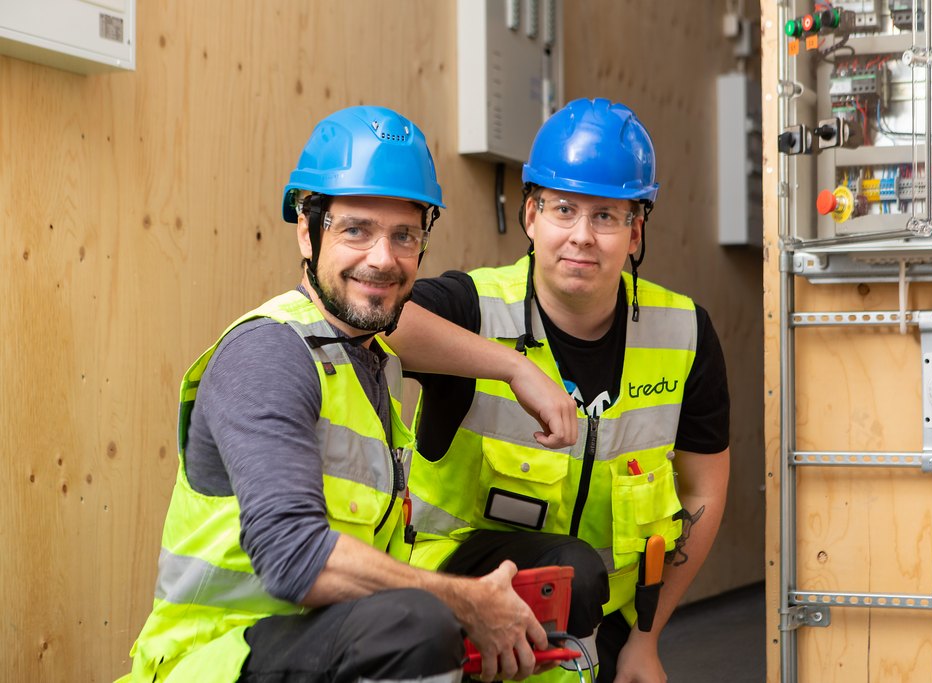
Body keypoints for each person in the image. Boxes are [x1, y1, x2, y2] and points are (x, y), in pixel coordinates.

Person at [123, 105, 580, 683]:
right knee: (416, 622)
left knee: (558, 575)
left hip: (318, 640)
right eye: (355, 229)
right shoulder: (269, 355)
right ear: (306, 229)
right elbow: (294, 560)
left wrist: (516, 369)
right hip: (213, 660)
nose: (382, 258)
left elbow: (410, 328)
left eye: (404, 235)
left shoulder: (371, 357)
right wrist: (464, 603)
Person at [393, 98, 731, 682]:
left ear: (635, 231)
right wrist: (514, 368)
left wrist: (646, 641)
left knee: (582, 585)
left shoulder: (684, 333)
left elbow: (704, 491)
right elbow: (383, 319)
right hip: (457, 611)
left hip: (603, 625)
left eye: (606, 216)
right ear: (530, 216)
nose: (582, 236)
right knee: (573, 569)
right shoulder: (474, 307)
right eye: (563, 209)